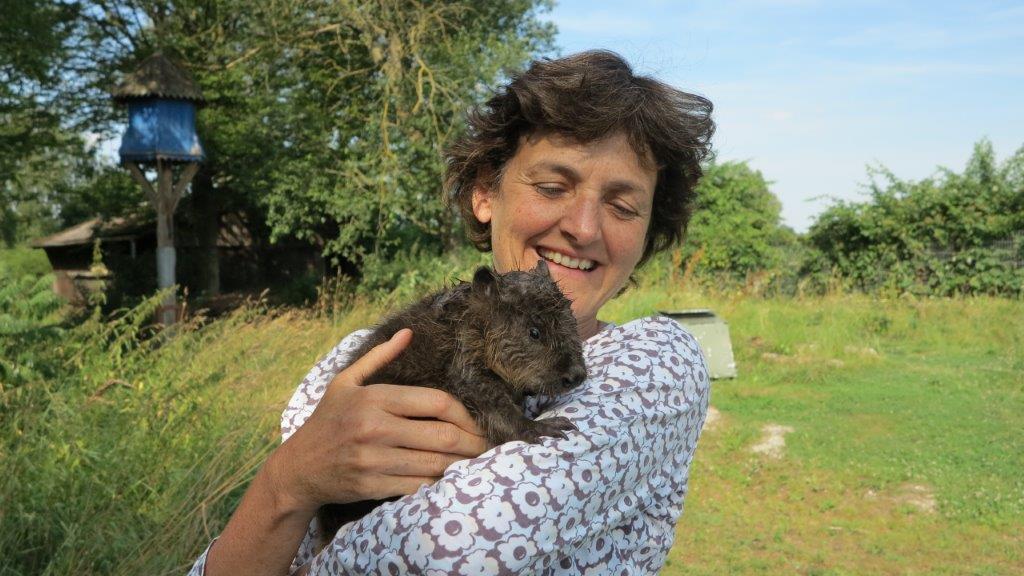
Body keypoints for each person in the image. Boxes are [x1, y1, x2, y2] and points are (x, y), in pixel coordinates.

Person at [189, 49, 714, 575]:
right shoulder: (354, 361)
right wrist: (288, 480)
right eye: (552, 187)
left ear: (646, 236)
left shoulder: (655, 366)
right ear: (485, 193)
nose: (583, 227)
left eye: (623, 206)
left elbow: (455, 551)